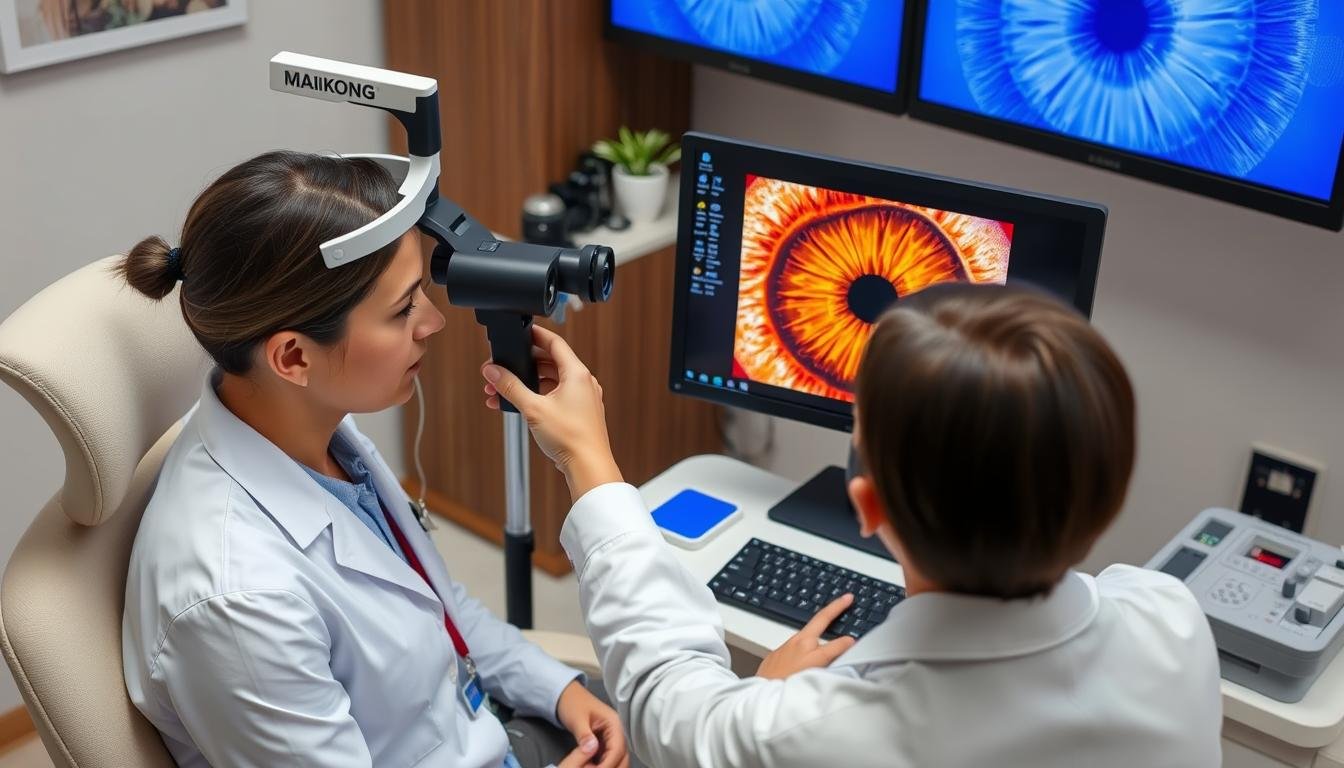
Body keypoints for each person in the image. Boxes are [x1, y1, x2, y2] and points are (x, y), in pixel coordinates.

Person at [482, 283, 1223, 767]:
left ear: (865, 506)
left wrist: (586, 454)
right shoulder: (1174, 623)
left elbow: (665, 701)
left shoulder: (816, 737)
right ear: (1109, 495)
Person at [119, 150, 628, 768]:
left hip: (482, 728)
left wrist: (558, 689)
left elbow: (440, 605)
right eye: (402, 308)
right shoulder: (237, 600)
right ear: (293, 358)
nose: (435, 322)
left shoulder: (316, 432)